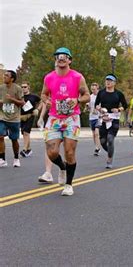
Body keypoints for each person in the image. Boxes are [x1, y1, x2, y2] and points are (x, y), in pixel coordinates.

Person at [41, 47, 90, 196]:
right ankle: (62, 167)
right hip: (55, 118)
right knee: (52, 152)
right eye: (58, 57)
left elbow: (87, 95)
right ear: (55, 59)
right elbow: (43, 94)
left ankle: (68, 184)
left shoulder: (77, 77)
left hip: (72, 118)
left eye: (64, 57)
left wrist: (77, 100)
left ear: (69, 60)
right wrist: (46, 100)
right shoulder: (49, 77)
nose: (61, 59)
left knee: (69, 152)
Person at [95, 74, 128, 168]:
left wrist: (118, 109)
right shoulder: (101, 93)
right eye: (106, 80)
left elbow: (125, 105)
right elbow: (96, 105)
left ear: (114, 83)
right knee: (102, 141)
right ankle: (110, 151)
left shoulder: (118, 94)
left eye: (110, 81)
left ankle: (109, 159)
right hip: (104, 118)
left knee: (110, 138)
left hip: (114, 119)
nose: (108, 82)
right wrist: (100, 109)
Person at [0, 70, 25, 167]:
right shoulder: (1, 88)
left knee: (14, 139)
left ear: (12, 79)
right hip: (2, 116)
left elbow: (22, 103)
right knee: (0, 136)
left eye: (6, 75)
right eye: (4, 75)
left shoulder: (17, 89)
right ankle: (2, 159)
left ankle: (16, 158)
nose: (4, 77)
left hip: (14, 118)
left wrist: (12, 99)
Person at [19, 82, 42, 158]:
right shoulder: (19, 96)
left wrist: (37, 109)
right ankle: (28, 149)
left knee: (26, 132)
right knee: (24, 132)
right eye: (22, 87)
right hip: (21, 116)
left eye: (25, 87)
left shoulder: (33, 96)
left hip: (30, 115)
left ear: (28, 87)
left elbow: (41, 102)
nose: (23, 88)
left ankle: (24, 149)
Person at [86, 82, 101, 156]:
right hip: (91, 117)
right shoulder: (90, 97)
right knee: (93, 134)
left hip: (99, 117)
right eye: (92, 89)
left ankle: (97, 147)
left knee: (96, 133)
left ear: (97, 89)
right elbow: (88, 108)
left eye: (94, 89)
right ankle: (97, 147)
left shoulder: (101, 96)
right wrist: (87, 107)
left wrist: (98, 109)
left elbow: (104, 106)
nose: (93, 90)